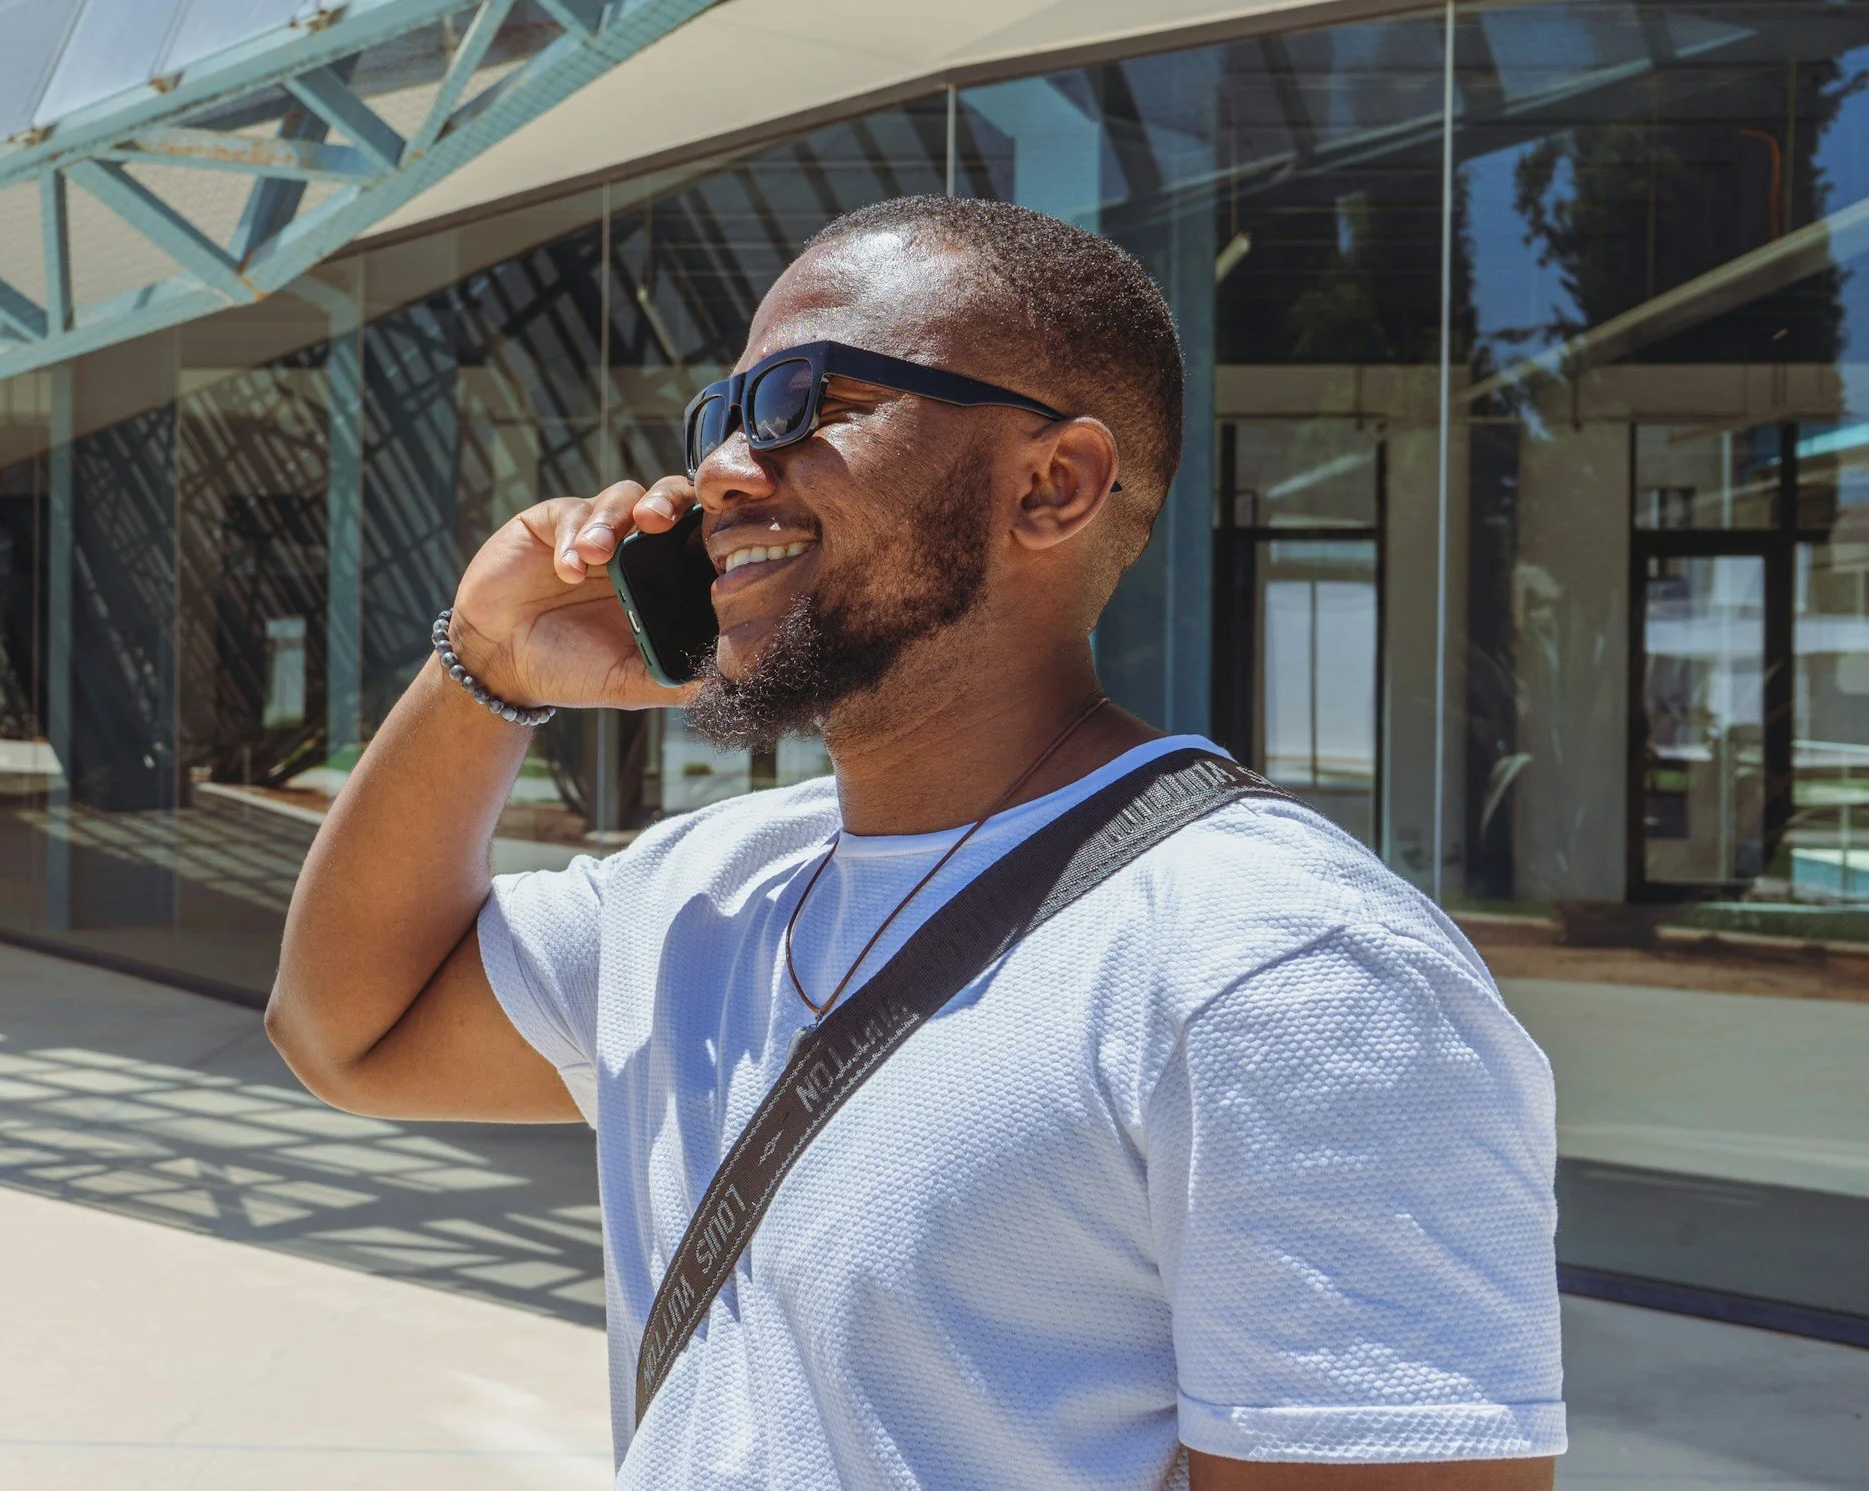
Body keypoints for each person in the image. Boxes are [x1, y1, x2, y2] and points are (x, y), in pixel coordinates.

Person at [266, 195, 1564, 1490]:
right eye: (719, 419)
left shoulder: (1285, 973)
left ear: (1053, 484)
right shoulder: (697, 891)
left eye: (801, 405)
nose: (719, 472)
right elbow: (347, 1031)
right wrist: (486, 668)